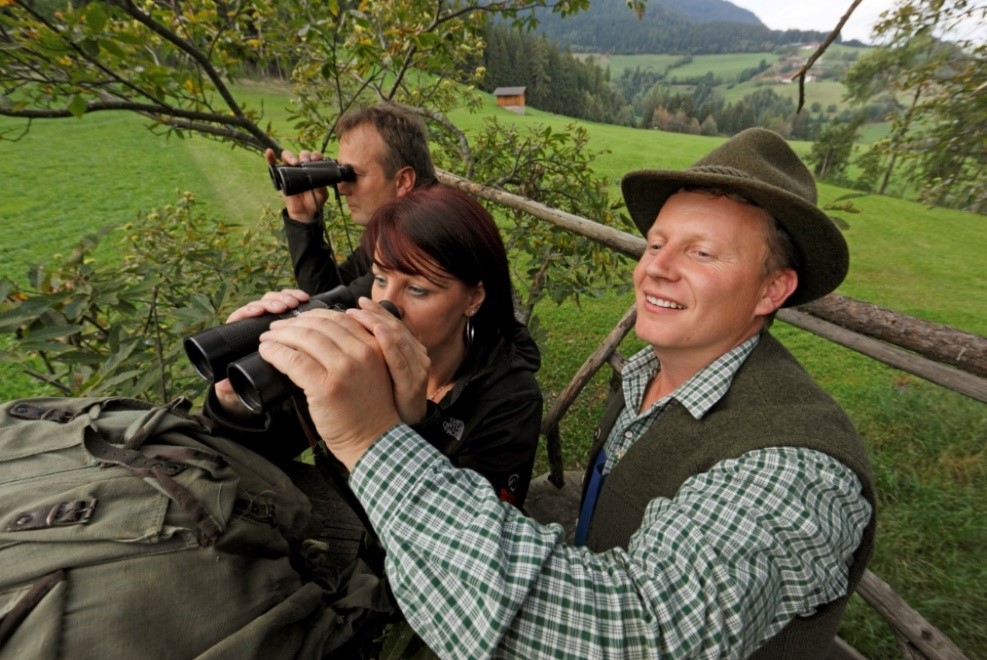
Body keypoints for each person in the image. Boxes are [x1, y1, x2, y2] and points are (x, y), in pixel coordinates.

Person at [250, 128, 877, 658]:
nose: (656, 266)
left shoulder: (797, 467)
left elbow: (633, 629)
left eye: (702, 252)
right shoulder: (647, 379)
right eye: (656, 243)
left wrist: (375, 440)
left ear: (772, 290)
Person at [205, 185, 542, 509]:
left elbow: (476, 548)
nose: (386, 305)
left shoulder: (510, 400)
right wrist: (236, 403)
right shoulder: (363, 356)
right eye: (381, 279)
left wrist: (409, 427)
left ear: (473, 298)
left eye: (418, 290)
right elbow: (262, 454)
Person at [267, 102, 438, 296]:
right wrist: (302, 216)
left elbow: (336, 312)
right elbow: (327, 293)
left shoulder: (424, 239)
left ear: (403, 181)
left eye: (353, 174)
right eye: (341, 172)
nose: (341, 188)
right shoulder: (397, 226)